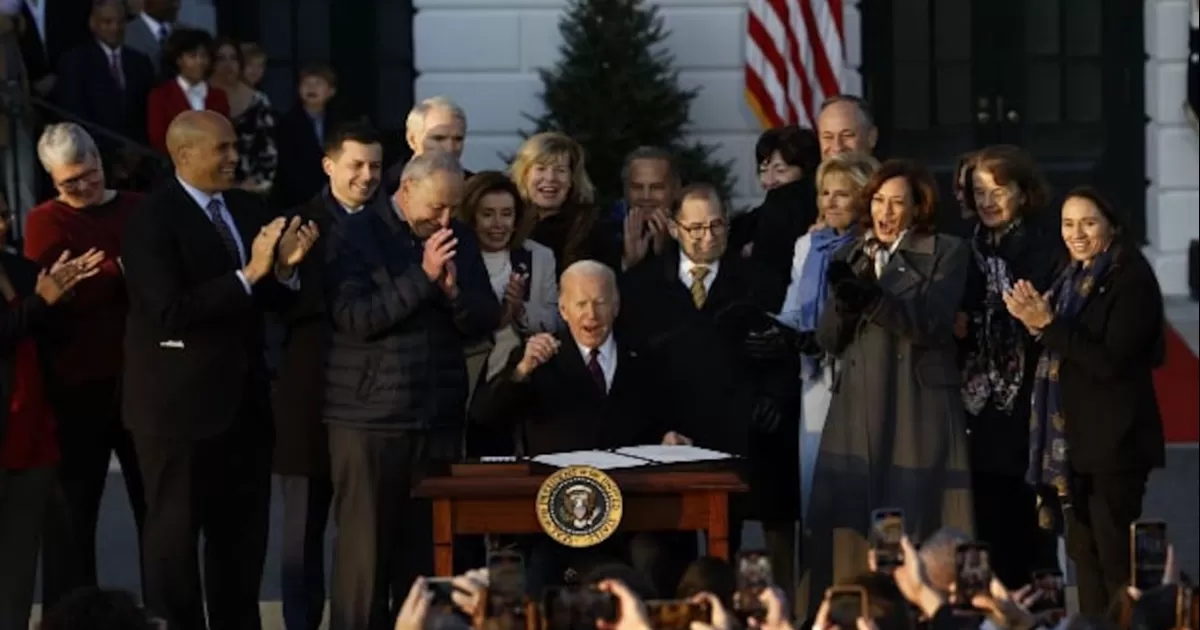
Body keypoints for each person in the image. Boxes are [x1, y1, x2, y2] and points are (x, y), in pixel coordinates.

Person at [121, 110, 319, 630]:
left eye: (235, 147)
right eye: (223, 149)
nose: (235, 157)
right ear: (184, 155)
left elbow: (264, 298)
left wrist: (283, 269)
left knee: (242, 543)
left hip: (245, 406)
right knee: (174, 545)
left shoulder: (247, 206)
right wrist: (249, 272)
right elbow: (167, 309)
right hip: (177, 411)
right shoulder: (151, 218)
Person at [323, 150, 498, 630]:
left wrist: (454, 293)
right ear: (405, 190)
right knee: (364, 562)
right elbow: (356, 319)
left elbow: (484, 320)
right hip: (369, 422)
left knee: (426, 560)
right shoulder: (355, 234)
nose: (445, 220)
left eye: (452, 209)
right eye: (436, 208)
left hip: (436, 418)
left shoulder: (457, 237)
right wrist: (421, 278)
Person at [803, 159, 974, 618]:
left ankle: (930, 612)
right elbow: (827, 340)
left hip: (916, 408)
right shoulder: (851, 254)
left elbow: (934, 323)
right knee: (849, 530)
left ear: (919, 208)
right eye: (879, 200)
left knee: (918, 519)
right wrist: (844, 303)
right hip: (859, 407)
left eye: (898, 202)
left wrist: (876, 298)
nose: (886, 211)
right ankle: (846, 617)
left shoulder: (947, 251)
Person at [471, 260, 687, 595]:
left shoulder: (645, 357)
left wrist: (670, 436)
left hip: (632, 513)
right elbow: (484, 416)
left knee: (654, 563)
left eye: (600, 302)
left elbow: (666, 419)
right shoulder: (539, 358)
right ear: (563, 308)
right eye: (581, 304)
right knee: (542, 578)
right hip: (558, 517)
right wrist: (522, 370)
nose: (592, 314)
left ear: (616, 306)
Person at [619, 184, 792, 600]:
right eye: (695, 227)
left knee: (729, 555)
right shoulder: (642, 285)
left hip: (738, 436)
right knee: (664, 556)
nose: (707, 236)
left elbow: (784, 351)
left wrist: (774, 397)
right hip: (666, 439)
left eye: (716, 225)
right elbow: (630, 367)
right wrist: (652, 428)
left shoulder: (758, 281)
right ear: (675, 229)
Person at [1003, 186, 1166, 616]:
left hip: (1115, 445)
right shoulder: (1069, 273)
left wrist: (1048, 324)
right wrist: (1031, 321)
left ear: (1112, 225)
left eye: (1088, 223)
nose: (1076, 233)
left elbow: (1110, 361)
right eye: (1068, 223)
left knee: (1116, 562)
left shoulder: (1131, 277)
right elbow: (1056, 348)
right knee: (1083, 557)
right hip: (1071, 447)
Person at [24, 123, 146, 601]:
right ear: (52, 181)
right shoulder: (46, 221)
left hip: (138, 379)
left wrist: (102, 273)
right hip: (76, 384)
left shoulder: (136, 208)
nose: (83, 187)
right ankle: (70, 616)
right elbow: (54, 293)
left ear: (100, 159)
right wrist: (118, 271)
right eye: (69, 182)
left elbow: (152, 278)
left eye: (88, 173)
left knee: (154, 509)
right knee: (72, 516)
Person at [273, 122, 383, 630]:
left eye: (375, 166)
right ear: (329, 165)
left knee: (362, 531)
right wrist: (284, 270)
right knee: (301, 533)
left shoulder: (391, 224)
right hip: (308, 400)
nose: (366, 176)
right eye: (356, 164)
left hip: (373, 403)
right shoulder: (296, 222)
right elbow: (275, 311)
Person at [956, 145, 1062, 588]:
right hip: (971, 407)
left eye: (999, 189)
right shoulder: (962, 250)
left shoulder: (1045, 250)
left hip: (1027, 406)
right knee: (982, 528)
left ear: (1023, 192)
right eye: (979, 191)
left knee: (1029, 535)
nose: (988, 200)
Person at [0, 197, 105, 630]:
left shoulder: (20, 268)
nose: (0, 224)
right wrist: (40, 302)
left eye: (3, 214)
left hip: (33, 437)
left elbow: (42, 334)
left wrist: (59, 298)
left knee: (18, 577)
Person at [778, 152, 879, 518]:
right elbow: (792, 311)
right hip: (815, 377)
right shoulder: (808, 246)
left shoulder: (875, 245)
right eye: (824, 193)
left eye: (842, 193)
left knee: (865, 492)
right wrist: (772, 329)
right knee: (817, 489)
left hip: (862, 377)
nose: (830, 202)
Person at [508, 132, 620, 276]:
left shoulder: (591, 226)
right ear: (524, 174)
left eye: (560, 170)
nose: (550, 178)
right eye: (541, 168)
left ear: (572, 178)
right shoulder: (509, 219)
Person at [145, 28, 229, 153]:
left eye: (204, 56)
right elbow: (158, 138)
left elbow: (225, 135)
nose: (200, 62)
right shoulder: (160, 95)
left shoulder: (218, 96)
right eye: (192, 56)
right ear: (178, 60)